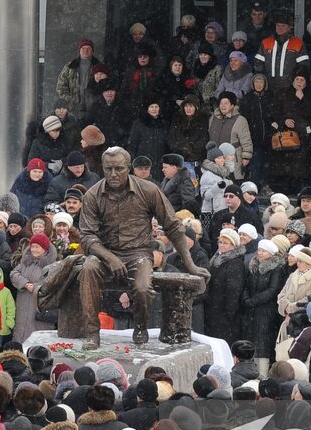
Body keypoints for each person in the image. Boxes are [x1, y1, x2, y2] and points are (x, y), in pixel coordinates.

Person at [73, 147, 210, 348]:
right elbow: (87, 236)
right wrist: (109, 257)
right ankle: (92, 332)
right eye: (108, 169)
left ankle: (140, 325)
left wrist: (190, 264)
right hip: (104, 254)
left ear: (128, 167)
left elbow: (173, 227)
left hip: (138, 253)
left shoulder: (148, 190)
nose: (113, 174)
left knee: (143, 287)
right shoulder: (93, 195)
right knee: (88, 269)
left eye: (119, 168)